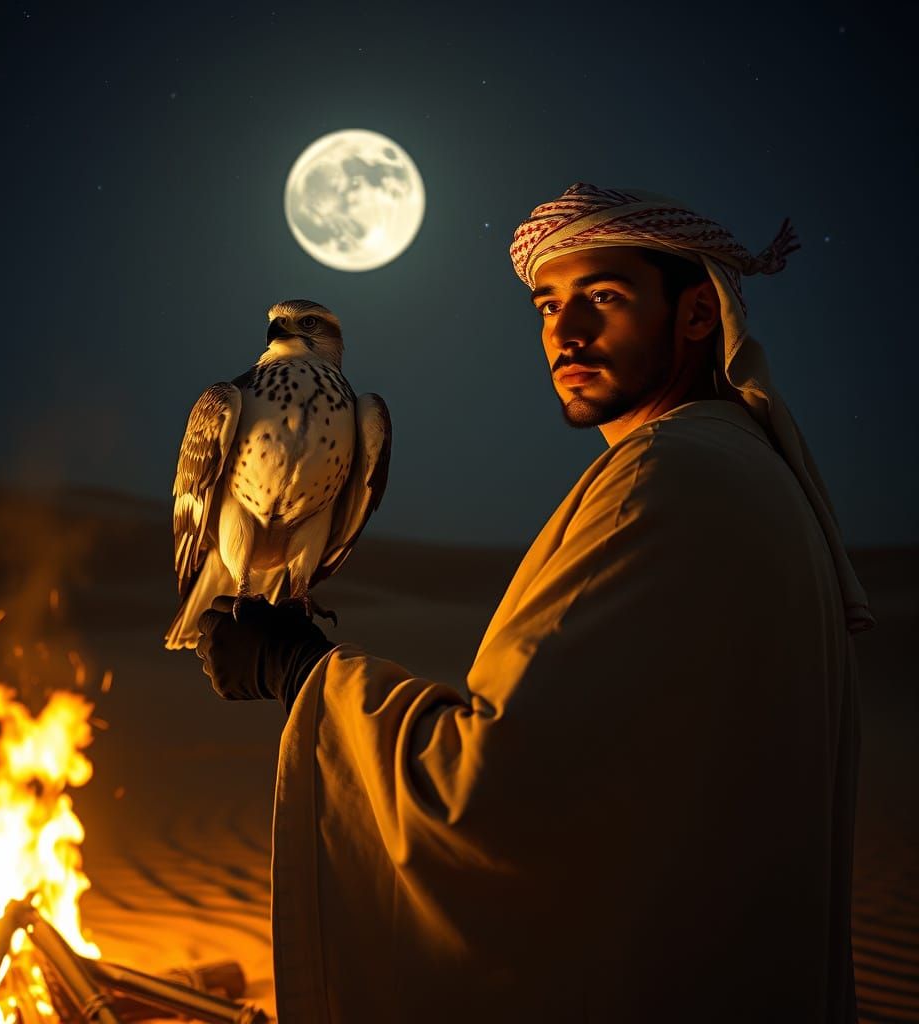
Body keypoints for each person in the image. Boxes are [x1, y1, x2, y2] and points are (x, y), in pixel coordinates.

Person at [196, 182, 874, 1023]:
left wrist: (298, 669)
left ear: (700, 315)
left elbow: (484, 800)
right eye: (548, 305)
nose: (565, 332)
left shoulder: (667, 482)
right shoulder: (741, 469)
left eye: (604, 297)